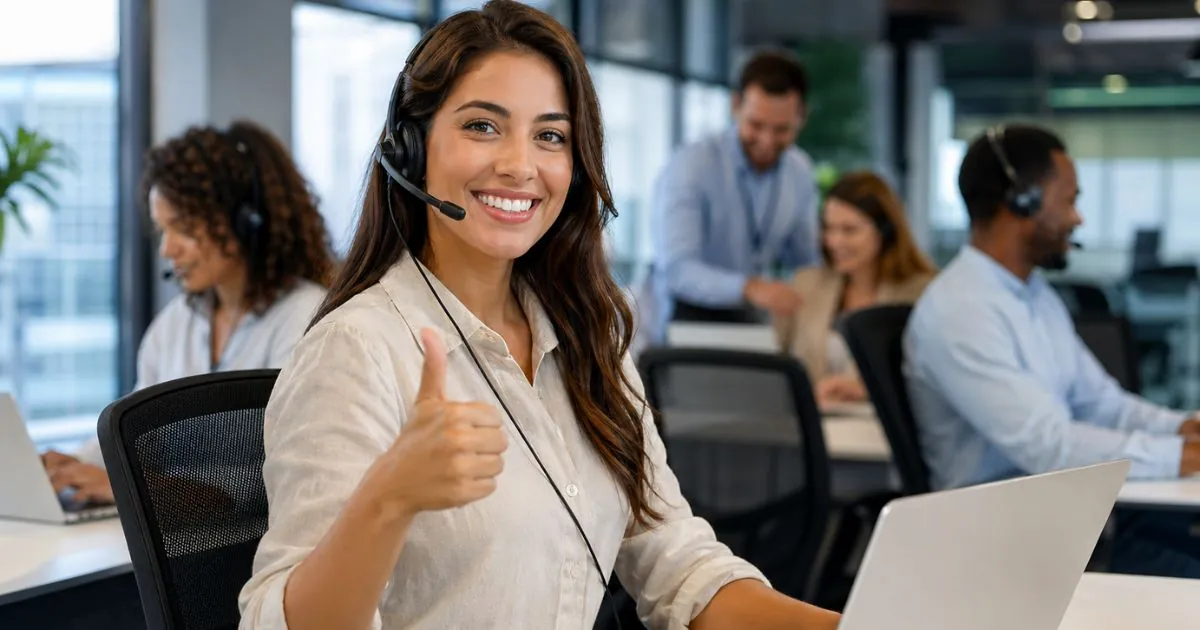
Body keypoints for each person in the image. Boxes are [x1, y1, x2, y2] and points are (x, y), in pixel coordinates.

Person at [237, 3, 841, 629]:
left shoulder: (587, 339)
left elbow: (679, 565)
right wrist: (387, 499)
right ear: (411, 150)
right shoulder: (357, 350)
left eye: (550, 135)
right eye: (482, 127)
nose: (520, 165)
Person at [903, 123, 1200, 578]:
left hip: (1066, 518)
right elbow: (1050, 446)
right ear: (1023, 200)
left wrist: (1182, 428)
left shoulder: (1033, 294)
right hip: (1009, 545)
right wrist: (1182, 456)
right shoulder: (960, 311)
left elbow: (1101, 402)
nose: (1078, 219)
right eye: (1070, 200)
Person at [40, 120, 336, 505]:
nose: (167, 250)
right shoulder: (177, 322)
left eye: (183, 228)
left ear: (246, 221)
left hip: (248, 554)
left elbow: (270, 483)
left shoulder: (305, 320)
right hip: (172, 542)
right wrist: (70, 466)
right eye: (162, 229)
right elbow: (132, 431)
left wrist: (133, 491)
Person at [646, 49, 819, 341]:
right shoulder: (692, 165)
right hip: (685, 324)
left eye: (781, 130)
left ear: (802, 117)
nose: (766, 141)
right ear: (735, 106)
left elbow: (805, 259)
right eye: (756, 125)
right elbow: (678, 270)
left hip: (753, 323)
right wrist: (750, 288)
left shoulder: (799, 170)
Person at [776, 171, 935, 410]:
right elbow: (781, 366)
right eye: (829, 228)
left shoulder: (922, 293)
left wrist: (865, 389)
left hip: (884, 435)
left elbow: (931, 381)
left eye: (849, 230)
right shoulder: (806, 285)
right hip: (813, 428)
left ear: (885, 231)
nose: (834, 241)